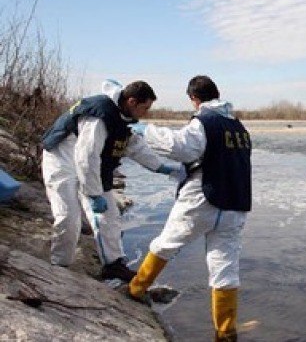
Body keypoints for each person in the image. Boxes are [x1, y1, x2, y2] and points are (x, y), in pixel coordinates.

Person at [127, 75, 251, 342]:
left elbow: (179, 147)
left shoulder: (204, 122)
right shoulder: (239, 127)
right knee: (225, 268)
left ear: (194, 99)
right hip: (234, 206)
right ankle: (226, 332)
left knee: (165, 245)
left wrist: (146, 131)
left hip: (201, 201)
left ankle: (136, 290)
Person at [41, 79, 178, 281]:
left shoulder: (122, 118)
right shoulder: (99, 114)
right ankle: (60, 266)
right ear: (131, 101)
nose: (146, 113)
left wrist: (164, 167)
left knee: (110, 217)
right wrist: (94, 194)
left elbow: (135, 148)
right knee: (68, 216)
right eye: (145, 108)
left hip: (94, 164)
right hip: (62, 160)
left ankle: (113, 265)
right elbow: (86, 156)